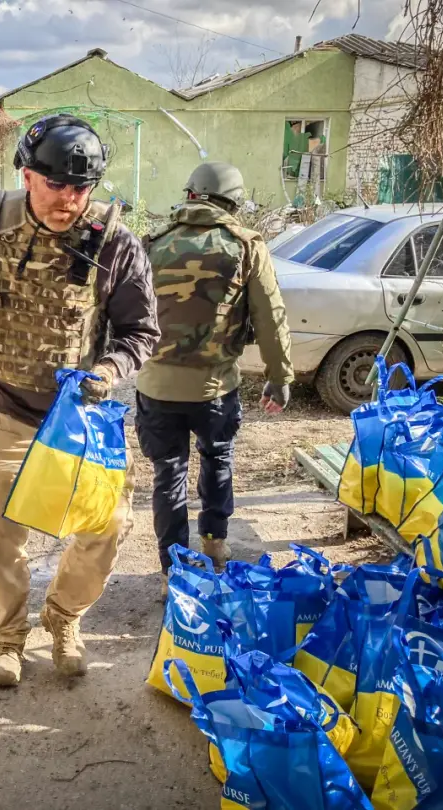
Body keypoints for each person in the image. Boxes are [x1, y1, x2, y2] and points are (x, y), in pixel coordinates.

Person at [0, 114, 160, 688]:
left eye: (81, 188)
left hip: (79, 414)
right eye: (56, 185)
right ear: (26, 176)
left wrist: (110, 369)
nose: (69, 199)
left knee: (106, 526)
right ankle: (8, 637)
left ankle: (64, 619)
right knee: (0, 528)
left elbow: (141, 331)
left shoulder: (115, 243)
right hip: (8, 403)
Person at [134, 161, 294, 589]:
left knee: (168, 474)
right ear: (234, 204)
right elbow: (271, 317)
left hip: (156, 385)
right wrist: (280, 376)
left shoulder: (150, 243)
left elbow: (124, 311)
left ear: (190, 194)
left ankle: (174, 567)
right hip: (215, 388)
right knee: (217, 457)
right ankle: (214, 542)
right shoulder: (245, 246)